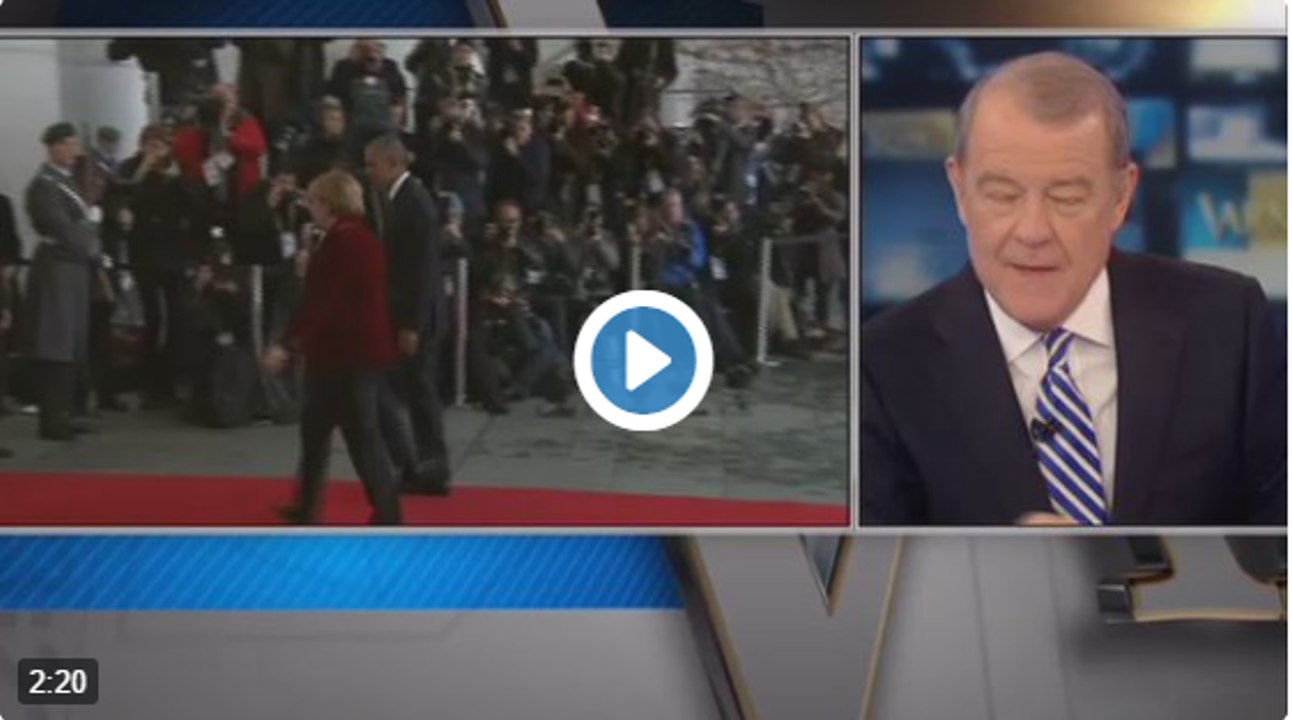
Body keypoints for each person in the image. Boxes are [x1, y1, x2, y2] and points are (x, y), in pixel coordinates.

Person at [860, 52, 1286, 527]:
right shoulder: (881, 366)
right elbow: (876, 586)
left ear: (1120, 197)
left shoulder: (1227, 323)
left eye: (1067, 197)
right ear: (960, 191)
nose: (1033, 231)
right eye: (1002, 195)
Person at [262, 169, 403, 526]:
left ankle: (387, 510)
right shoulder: (354, 237)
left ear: (327, 202)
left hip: (347, 355)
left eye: (313, 200)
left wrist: (292, 344)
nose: (309, 207)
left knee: (361, 438)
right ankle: (308, 505)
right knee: (316, 432)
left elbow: (327, 300)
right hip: (338, 355)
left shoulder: (345, 241)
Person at [364, 134, 452, 495]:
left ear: (392, 163)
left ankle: (432, 466)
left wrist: (410, 325)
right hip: (407, 314)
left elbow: (422, 269)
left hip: (417, 318)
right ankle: (420, 463)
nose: (369, 173)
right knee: (412, 391)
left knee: (420, 393)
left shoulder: (414, 202)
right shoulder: (399, 200)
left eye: (372, 165)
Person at [22, 123, 100, 441]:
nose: (74, 151)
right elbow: (63, 229)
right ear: (52, 147)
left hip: (74, 269)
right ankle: (52, 419)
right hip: (58, 268)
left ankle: (65, 413)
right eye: (67, 144)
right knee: (56, 345)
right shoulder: (44, 185)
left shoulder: (68, 182)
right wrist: (89, 230)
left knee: (72, 345)